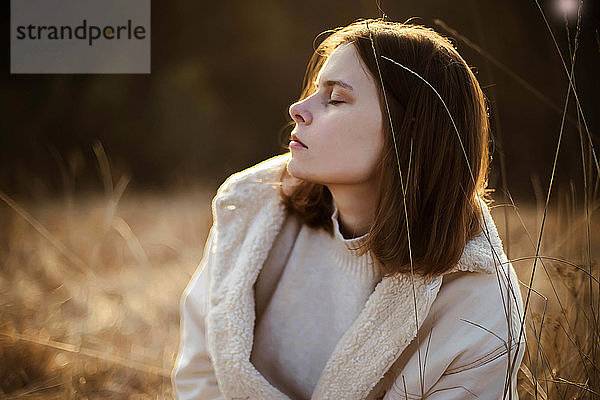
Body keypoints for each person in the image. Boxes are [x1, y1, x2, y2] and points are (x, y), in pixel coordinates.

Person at [172, 18, 526, 400]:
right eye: (313, 90)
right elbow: (200, 372)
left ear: (410, 132)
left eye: (336, 98)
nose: (297, 108)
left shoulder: (481, 303)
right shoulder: (250, 209)